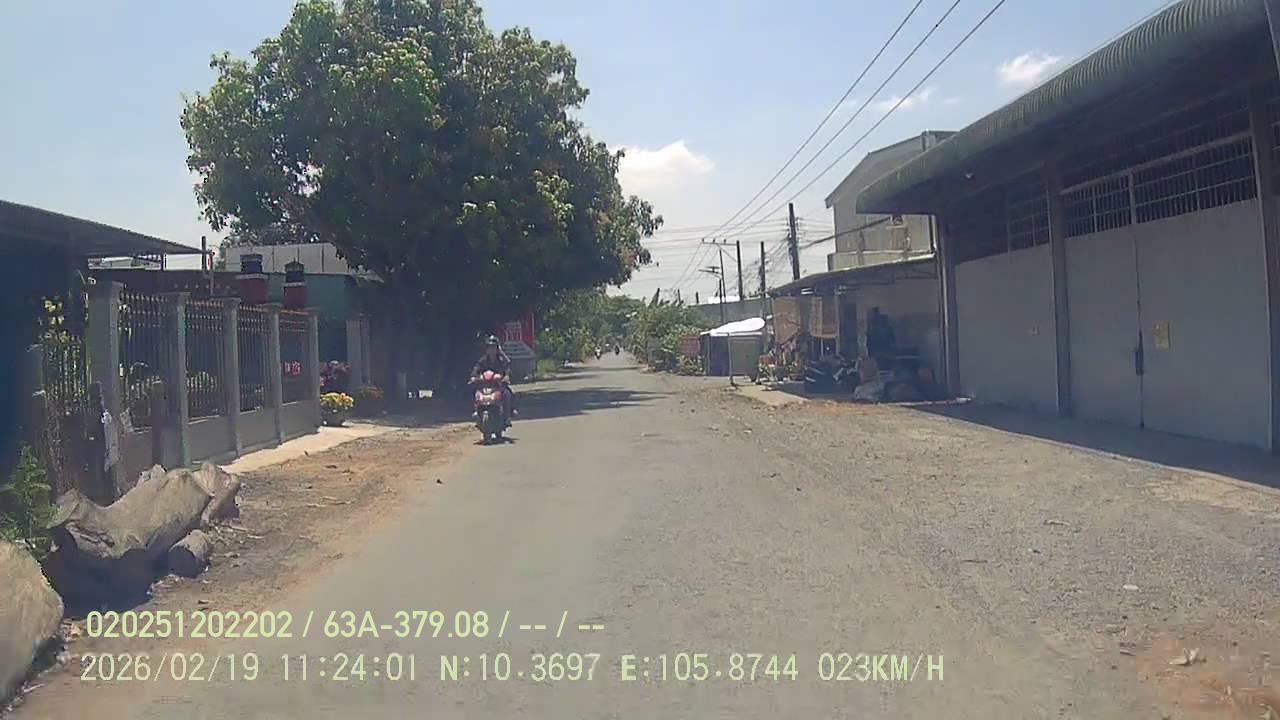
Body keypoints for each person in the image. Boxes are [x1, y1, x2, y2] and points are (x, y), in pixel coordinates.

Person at [472, 336, 516, 424]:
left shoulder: (502, 360)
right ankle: (476, 411)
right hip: (484, 386)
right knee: (475, 392)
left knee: (507, 393)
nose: (491, 350)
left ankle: (507, 416)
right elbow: (476, 369)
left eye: (493, 347)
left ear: (497, 349)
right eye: (489, 347)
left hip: (499, 385)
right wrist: (474, 377)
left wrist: (506, 376)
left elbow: (507, 369)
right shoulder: (483, 360)